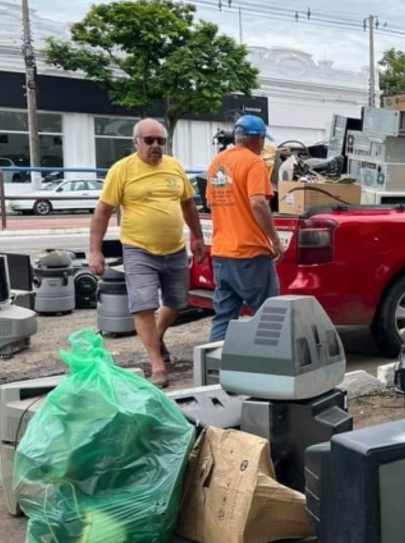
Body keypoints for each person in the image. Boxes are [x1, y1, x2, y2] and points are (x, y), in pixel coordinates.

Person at [89, 118, 206, 388]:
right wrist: (95, 250)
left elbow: (188, 204)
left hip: (175, 248)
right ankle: (157, 364)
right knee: (144, 306)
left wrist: (197, 237)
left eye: (160, 141)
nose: (155, 146)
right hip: (138, 249)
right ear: (136, 142)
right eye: (149, 140)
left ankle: (158, 333)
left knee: (177, 303)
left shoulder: (174, 167)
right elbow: (103, 211)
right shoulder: (122, 170)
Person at [205, 114, 285, 343]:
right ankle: (266, 366)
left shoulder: (217, 162)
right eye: (262, 140)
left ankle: (215, 366)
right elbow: (258, 202)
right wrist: (275, 241)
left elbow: (211, 203)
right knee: (268, 315)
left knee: (224, 317)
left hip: (222, 253)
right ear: (257, 139)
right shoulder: (253, 162)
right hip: (250, 252)